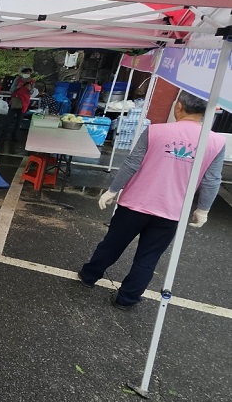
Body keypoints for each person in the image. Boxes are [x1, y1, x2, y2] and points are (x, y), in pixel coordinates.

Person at [78, 92, 225, 309]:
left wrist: (112, 190)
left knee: (112, 244)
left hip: (135, 204)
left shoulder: (156, 130)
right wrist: (203, 209)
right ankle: (127, 299)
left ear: (179, 107)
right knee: (148, 257)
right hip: (172, 211)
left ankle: (89, 276)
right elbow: (212, 180)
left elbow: (131, 163)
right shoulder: (216, 141)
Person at [0, 66, 34, 141]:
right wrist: (17, 87)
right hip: (15, 100)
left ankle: (14, 136)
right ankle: (3, 134)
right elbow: (12, 90)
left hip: (24, 102)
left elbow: (32, 92)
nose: (27, 74)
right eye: (25, 73)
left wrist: (30, 89)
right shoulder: (17, 80)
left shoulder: (32, 81)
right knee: (9, 119)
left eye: (28, 73)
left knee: (19, 120)